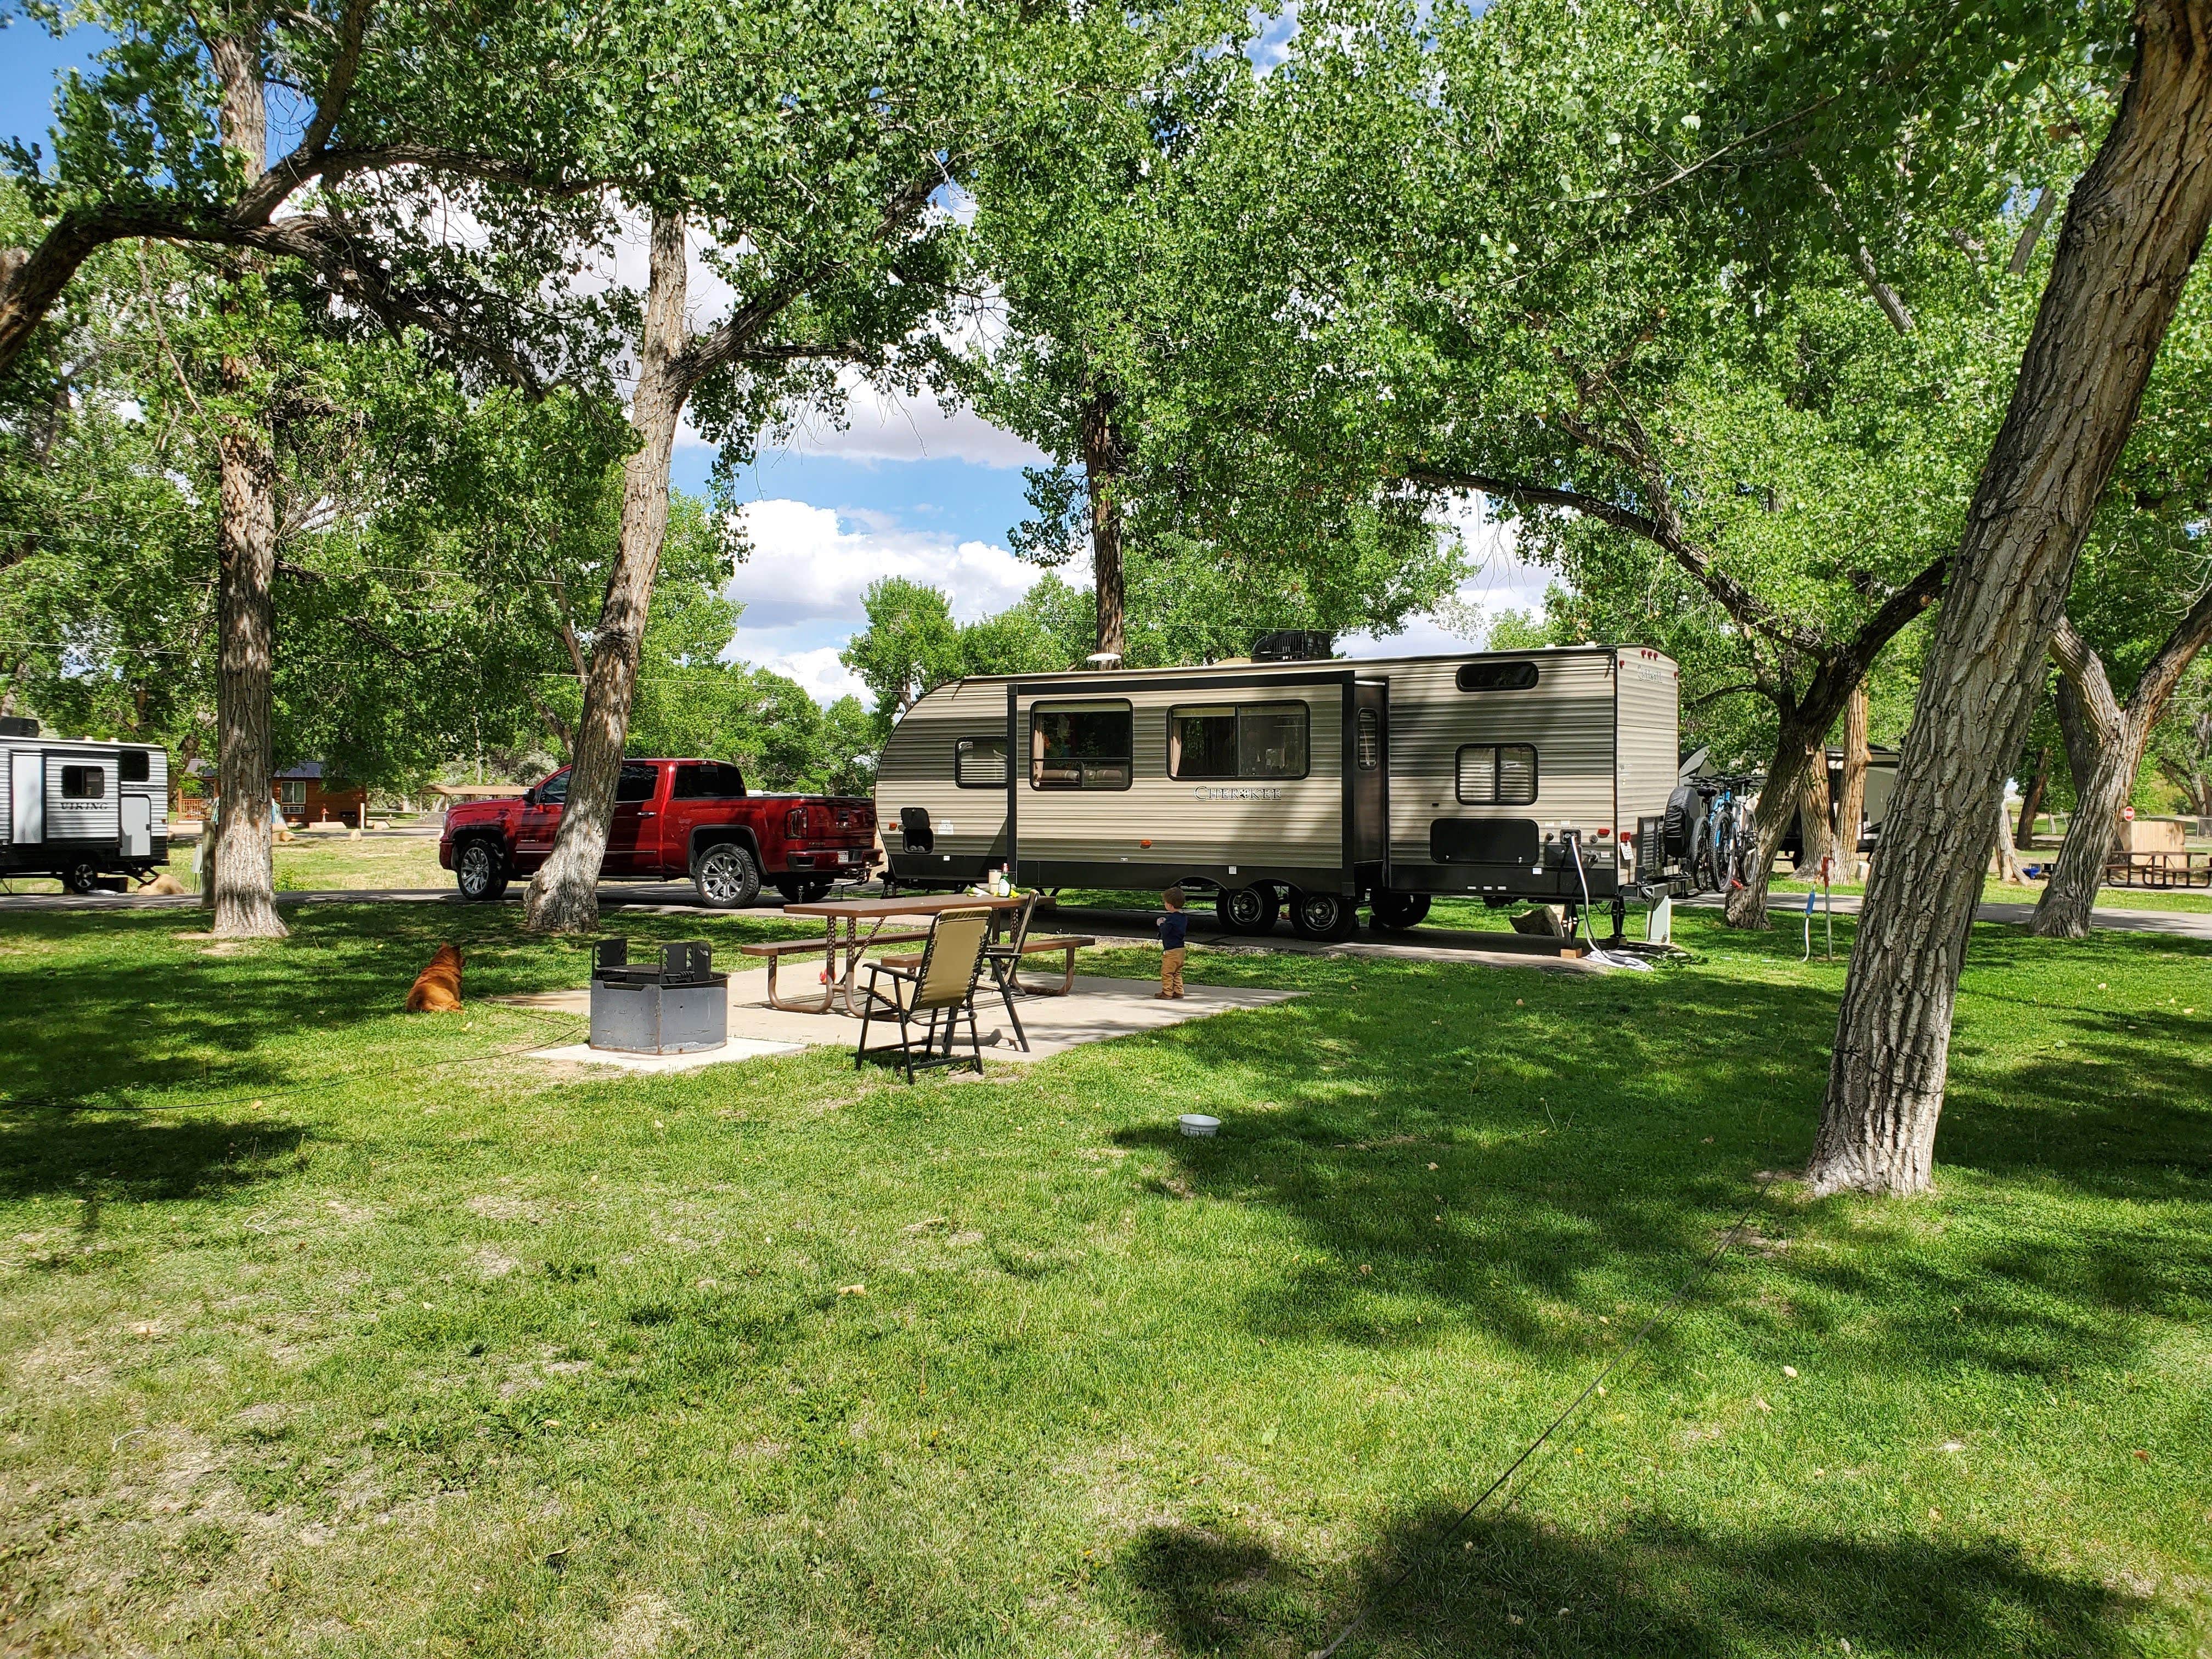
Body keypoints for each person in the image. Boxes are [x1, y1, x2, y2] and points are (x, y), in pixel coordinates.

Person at [1155, 886, 1188, 1000]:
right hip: (1181, 949)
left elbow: (1165, 931)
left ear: (1170, 905)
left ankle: (1167, 992)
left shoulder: (1171, 919)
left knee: (1167, 972)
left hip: (1171, 950)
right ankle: (1179, 991)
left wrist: (1161, 924)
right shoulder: (1183, 918)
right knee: (1177, 971)